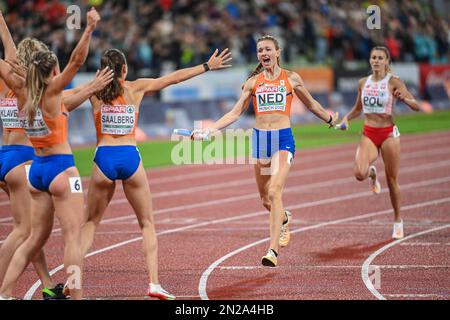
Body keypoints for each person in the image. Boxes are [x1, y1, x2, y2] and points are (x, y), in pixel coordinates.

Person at [79, 47, 231, 300]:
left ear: (101, 71)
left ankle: (73, 279)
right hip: (130, 158)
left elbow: (61, 93)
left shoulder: (92, 92)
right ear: (125, 70)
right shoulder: (135, 88)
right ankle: (154, 283)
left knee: (90, 224)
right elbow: (172, 78)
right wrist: (206, 66)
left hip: (104, 157)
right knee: (147, 223)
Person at [193, 35, 338, 267]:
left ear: (278, 52)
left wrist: (330, 118)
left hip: (282, 139)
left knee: (275, 190)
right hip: (261, 139)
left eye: (268, 49)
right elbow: (234, 113)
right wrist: (210, 131)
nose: (264, 53)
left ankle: (272, 251)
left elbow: (311, 104)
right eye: (260, 50)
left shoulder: (292, 78)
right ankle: (284, 218)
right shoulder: (253, 82)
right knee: (265, 199)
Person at [0, 8, 101, 300]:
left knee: (32, 238)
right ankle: (76, 294)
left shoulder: (20, 91)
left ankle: (7, 293)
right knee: (71, 237)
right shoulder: (54, 94)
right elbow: (76, 62)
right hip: (54, 167)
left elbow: (8, 54)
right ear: (53, 73)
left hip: (35, 171)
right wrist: (90, 28)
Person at [337, 46, 420, 239]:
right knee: (359, 173)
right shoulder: (362, 82)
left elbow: (416, 106)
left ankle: (398, 220)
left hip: (389, 134)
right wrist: (347, 118)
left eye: (380, 58)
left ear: (386, 62)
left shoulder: (394, 82)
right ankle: (371, 174)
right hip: (369, 132)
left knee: (392, 180)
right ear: (369, 60)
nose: (376, 61)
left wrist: (405, 100)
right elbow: (358, 108)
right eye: (373, 57)